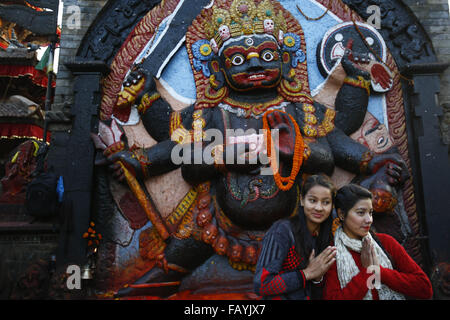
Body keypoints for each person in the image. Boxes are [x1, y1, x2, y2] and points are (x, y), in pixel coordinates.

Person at [323, 184, 433, 300]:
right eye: (361, 213)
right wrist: (366, 273)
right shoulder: (333, 254)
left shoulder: (386, 242)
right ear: (341, 214)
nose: (368, 220)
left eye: (370, 213)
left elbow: (424, 288)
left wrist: (379, 271)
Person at [254, 174, 337, 300]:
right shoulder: (282, 231)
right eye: (313, 200)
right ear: (302, 200)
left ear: (332, 206)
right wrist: (307, 273)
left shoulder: (324, 238)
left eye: (326, 202)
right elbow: (262, 284)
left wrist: (317, 278)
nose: (319, 208)